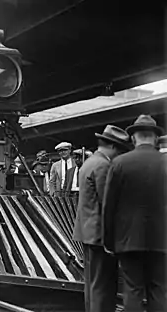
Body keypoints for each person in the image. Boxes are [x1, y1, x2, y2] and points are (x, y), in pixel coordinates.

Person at [103, 115, 167, 312]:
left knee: (133, 290)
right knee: (160, 289)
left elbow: (109, 206)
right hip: (162, 240)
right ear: (155, 138)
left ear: (133, 138)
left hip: (128, 239)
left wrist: (108, 241)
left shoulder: (119, 163)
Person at [73, 125, 130, 312]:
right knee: (104, 285)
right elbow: (108, 203)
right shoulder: (103, 166)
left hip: (87, 231)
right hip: (100, 235)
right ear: (113, 147)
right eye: (120, 151)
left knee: (92, 283)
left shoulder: (89, 162)